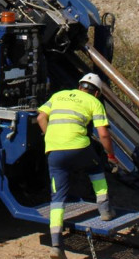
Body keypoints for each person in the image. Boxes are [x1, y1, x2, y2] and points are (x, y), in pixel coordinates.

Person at [36, 73, 119, 259]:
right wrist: (111, 156)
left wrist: (51, 137)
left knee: (57, 197)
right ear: (96, 93)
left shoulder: (58, 95)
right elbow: (103, 135)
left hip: (54, 152)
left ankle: (56, 244)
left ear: (80, 86)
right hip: (79, 149)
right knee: (96, 167)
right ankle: (105, 210)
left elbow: (41, 117)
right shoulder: (94, 102)